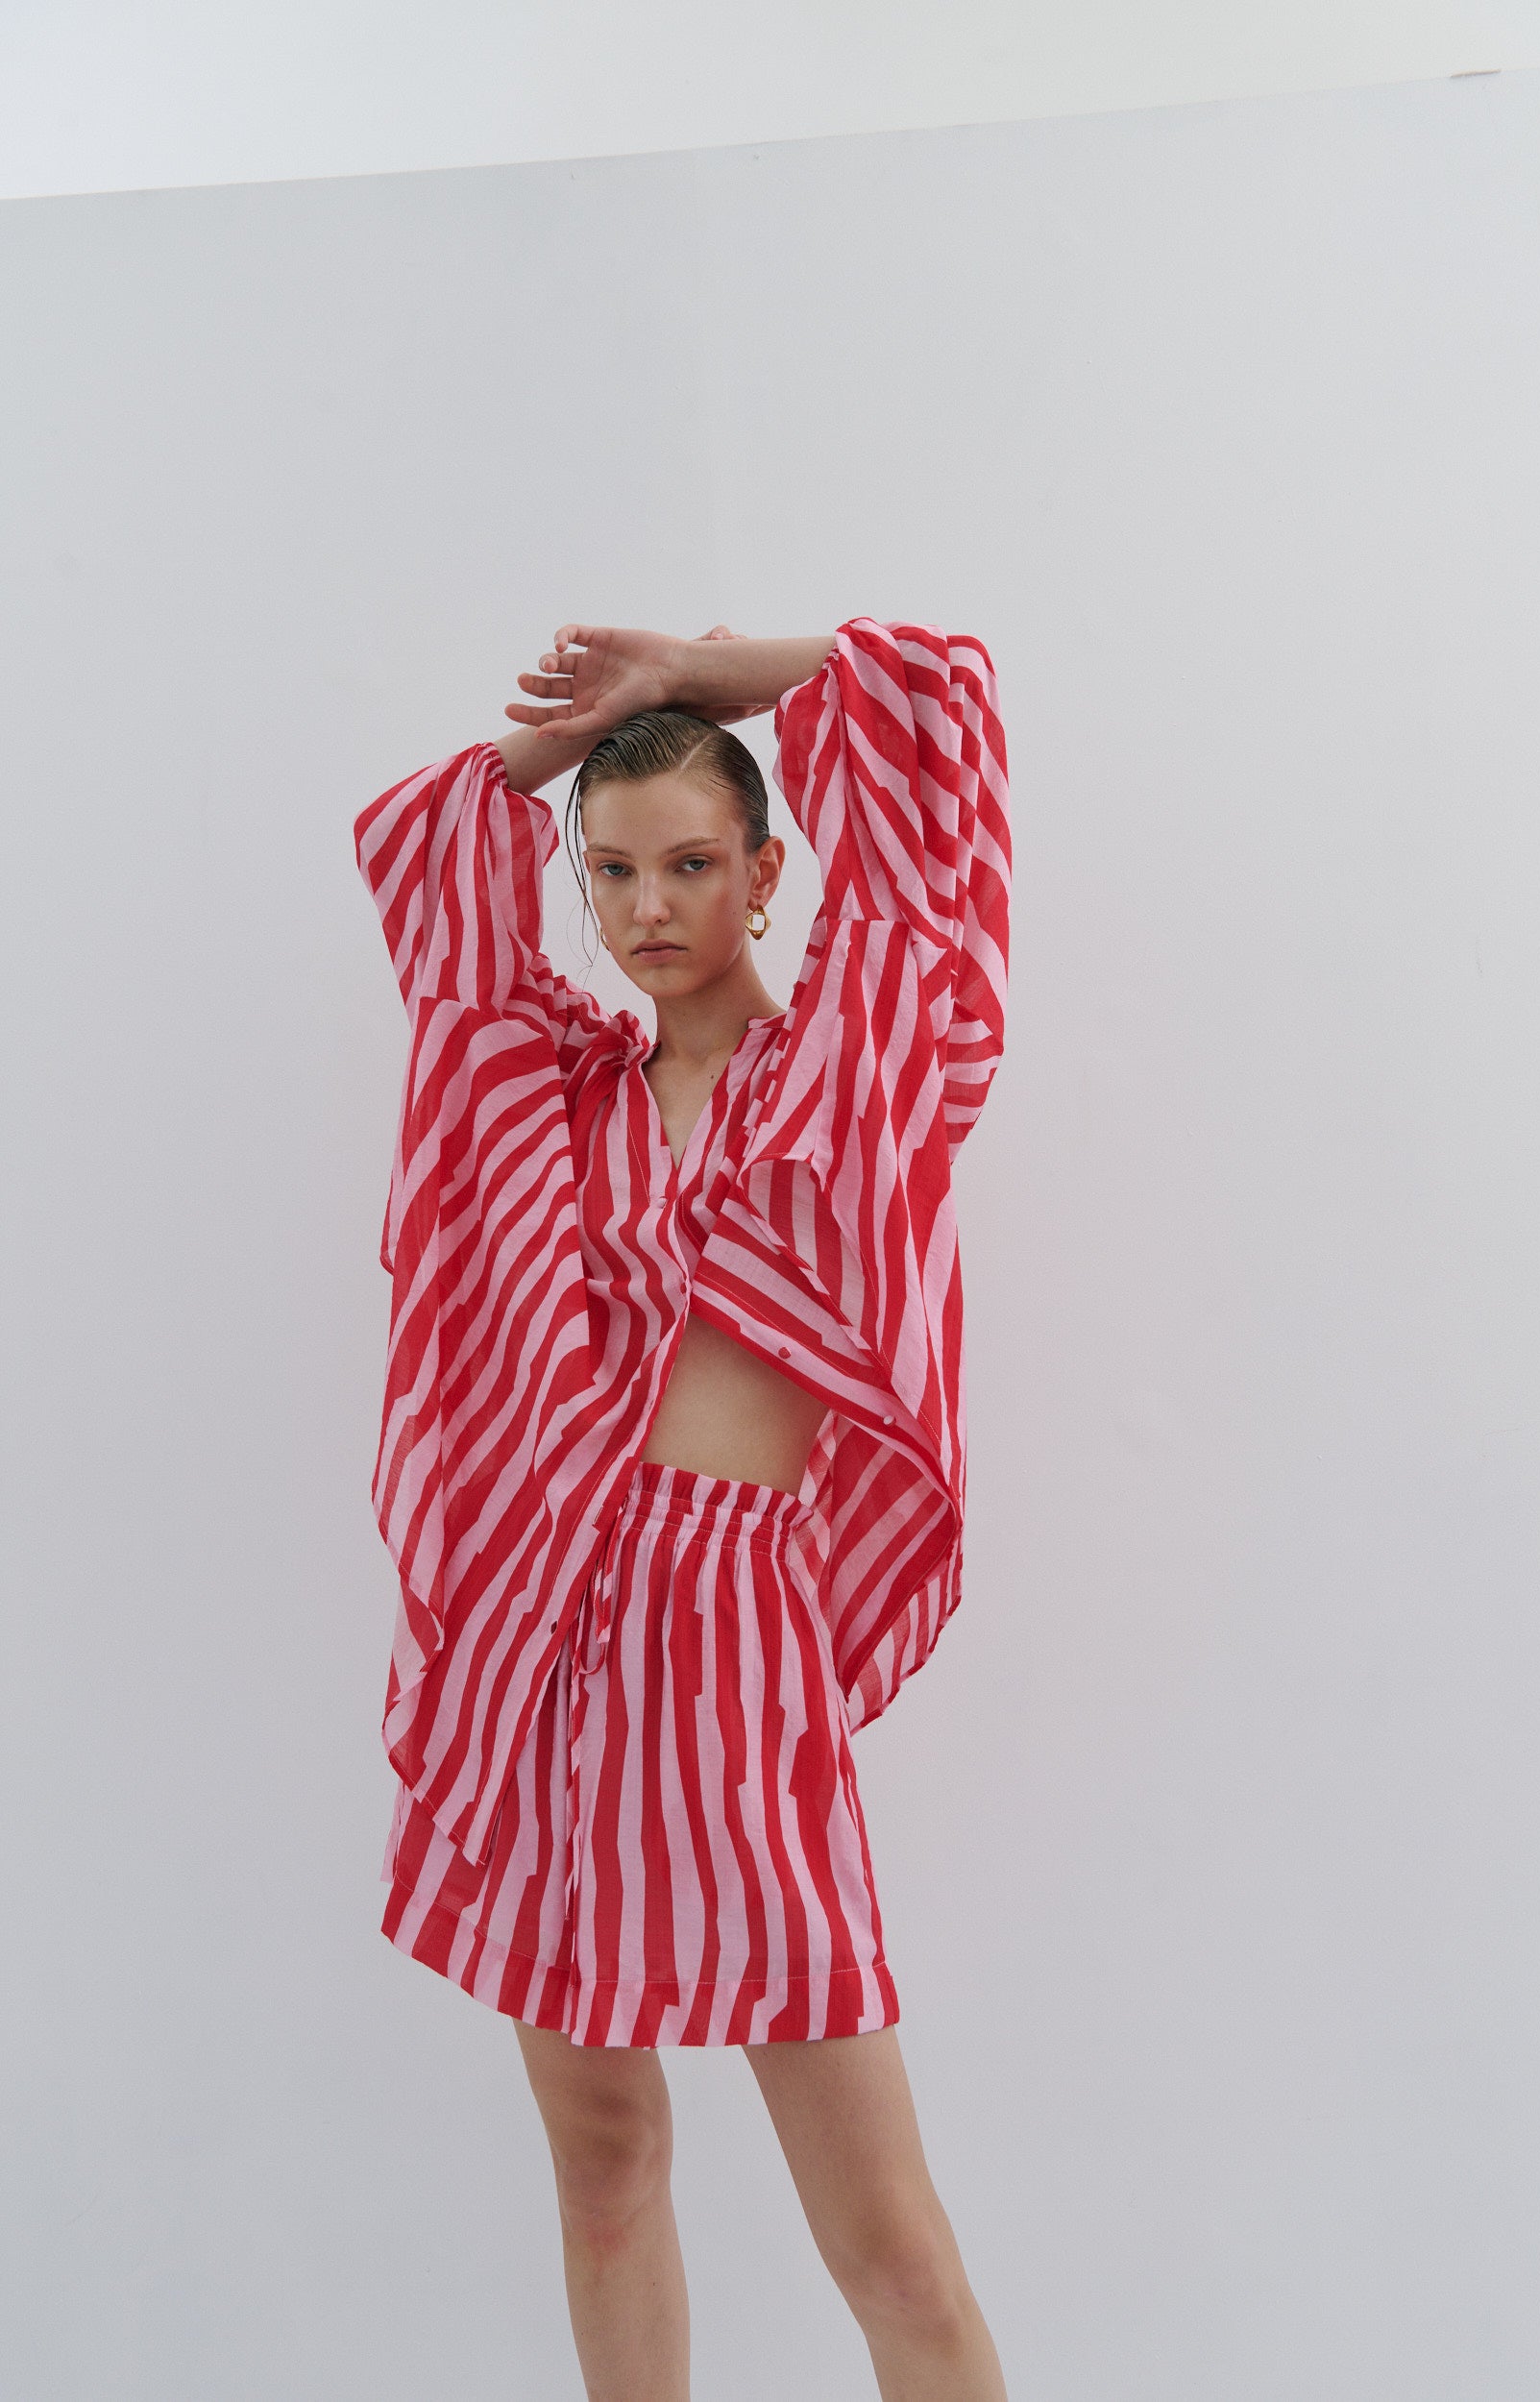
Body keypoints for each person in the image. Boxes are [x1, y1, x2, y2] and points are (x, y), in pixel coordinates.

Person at [354, 615, 1012, 2399]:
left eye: (696, 865)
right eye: (615, 872)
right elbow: (418, 849)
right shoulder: (552, 1092)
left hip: (737, 1642)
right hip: (546, 1639)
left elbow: (930, 708)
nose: (650, 906)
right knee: (606, 2162)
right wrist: (577, 749)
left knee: (890, 2244)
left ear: (768, 872)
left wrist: (698, 684)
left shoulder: (851, 1069)